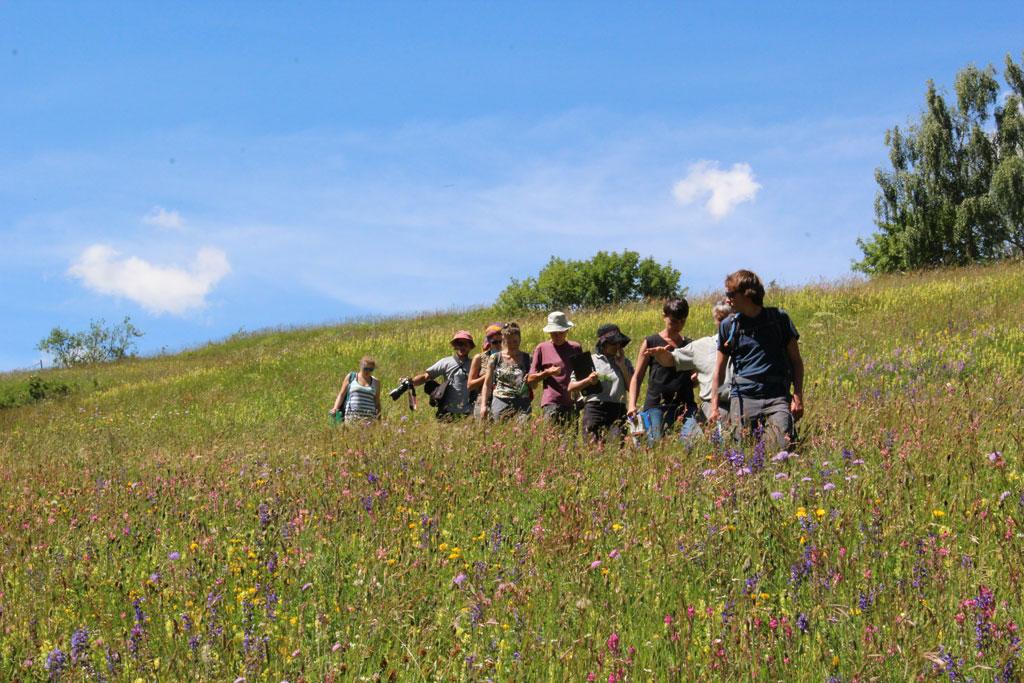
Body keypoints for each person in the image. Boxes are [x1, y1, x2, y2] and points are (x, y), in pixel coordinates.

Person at [709, 270, 805, 449]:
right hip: (743, 397)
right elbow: (719, 371)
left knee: (778, 449)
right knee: (741, 453)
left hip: (777, 397)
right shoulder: (728, 326)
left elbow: (796, 361)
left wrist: (798, 396)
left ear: (747, 294)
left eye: (731, 294)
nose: (727, 299)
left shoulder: (779, 319)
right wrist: (714, 407)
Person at [646, 299, 735, 441]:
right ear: (715, 321)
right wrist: (661, 354)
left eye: (728, 318)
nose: (724, 323)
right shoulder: (702, 345)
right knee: (694, 445)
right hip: (711, 407)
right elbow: (671, 360)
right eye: (720, 319)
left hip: (743, 405)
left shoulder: (750, 342)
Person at [627, 298, 697, 445]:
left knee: (690, 444)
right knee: (656, 446)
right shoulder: (651, 342)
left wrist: (696, 378)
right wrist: (631, 405)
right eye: (673, 322)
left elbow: (694, 378)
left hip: (685, 405)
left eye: (682, 322)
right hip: (656, 405)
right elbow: (637, 377)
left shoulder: (689, 345)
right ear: (664, 316)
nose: (678, 326)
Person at [569, 323, 635, 445]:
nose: (617, 346)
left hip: (618, 409)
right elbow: (571, 387)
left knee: (616, 449)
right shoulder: (589, 360)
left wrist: (622, 366)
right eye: (613, 343)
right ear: (604, 343)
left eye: (619, 343)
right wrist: (588, 381)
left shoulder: (625, 362)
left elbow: (632, 388)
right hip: (594, 408)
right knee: (592, 448)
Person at [527, 311, 582, 425]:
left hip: (572, 402)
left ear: (566, 330)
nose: (557, 336)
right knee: (551, 438)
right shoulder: (541, 348)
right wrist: (547, 373)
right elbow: (530, 379)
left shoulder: (576, 348)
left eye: (560, 332)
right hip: (551, 402)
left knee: (571, 440)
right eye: (553, 333)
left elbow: (582, 374)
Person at [409, 330, 476, 419]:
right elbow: (426, 376)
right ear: (455, 346)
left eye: (465, 344)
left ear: (470, 347)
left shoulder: (475, 364)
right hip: (446, 412)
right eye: (459, 344)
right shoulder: (446, 362)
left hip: (468, 413)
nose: (462, 347)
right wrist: (411, 382)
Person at [479, 322, 534, 421]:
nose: (512, 345)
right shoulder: (495, 358)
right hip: (500, 401)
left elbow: (534, 385)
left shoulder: (528, 358)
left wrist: (530, 380)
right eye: (508, 342)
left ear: (520, 340)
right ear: (503, 341)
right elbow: (487, 384)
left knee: (523, 433)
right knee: (500, 432)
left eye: (515, 341)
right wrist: (483, 405)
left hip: (523, 403)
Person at [329, 356, 381, 423]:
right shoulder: (351, 377)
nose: (367, 371)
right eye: (365, 368)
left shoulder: (376, 382)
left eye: (371, 370)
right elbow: (341, 395)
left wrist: (379, 419)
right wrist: (335, 408)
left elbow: (377, 402)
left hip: (369, 421)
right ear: (360, 366)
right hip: (352, 419)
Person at [469, 322, 504, 419]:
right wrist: (488, 375)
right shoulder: (480, 358)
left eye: (501, 341)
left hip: (504, 402)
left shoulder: (509, 357)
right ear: (489, 342)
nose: (498, 345)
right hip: (483, 402)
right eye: (494, 342)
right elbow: (470, 385)